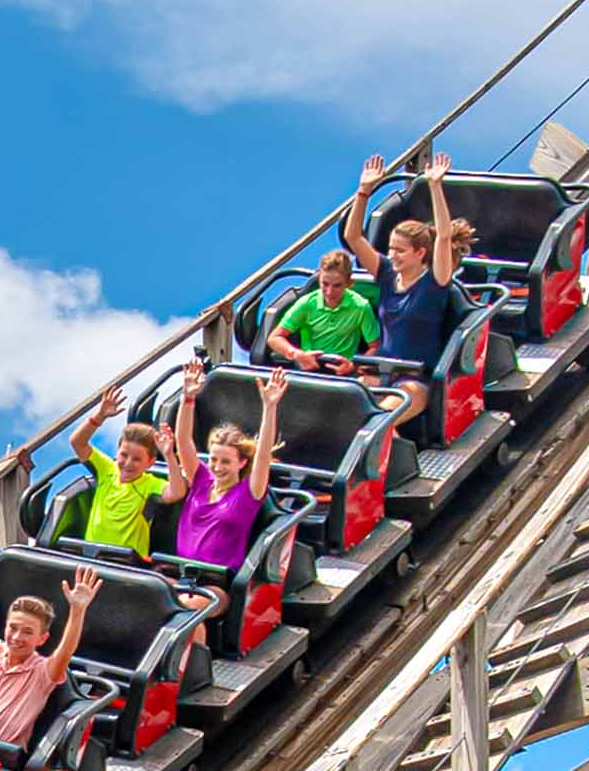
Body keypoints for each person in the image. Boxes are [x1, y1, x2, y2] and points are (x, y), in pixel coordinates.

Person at [156, 359, 284, 652]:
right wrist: (188, 398)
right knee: (145, 594)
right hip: (180, 574)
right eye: (213, 459)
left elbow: (263, 455)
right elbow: (184, 443)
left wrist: (270, 406)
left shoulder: (247, 493)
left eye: (225, 461)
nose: (217, 466)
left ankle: (185, 670)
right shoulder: (201, 480)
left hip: (216, 586)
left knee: (185, 608)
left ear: (240, 463)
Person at [342, 151, 476, 421]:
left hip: (413, 381)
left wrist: (435, 186)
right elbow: (353, 236)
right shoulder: (388, 274)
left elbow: (444, 236)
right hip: (379, 373)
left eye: (400, 251)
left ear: (420, 252)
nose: (392, 255)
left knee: (379, 418)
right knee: (341, 408)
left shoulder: (434, 282)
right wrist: (364, 192)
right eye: (391, 249)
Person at [0, 520, 101, 747]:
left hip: (1, 764)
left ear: (42, 639)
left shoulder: (42, 673)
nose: (17, 637)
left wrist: (78, 610)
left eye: (27, 632)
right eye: (13, 628)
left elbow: (67, 649)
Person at [66, 383, 188, 559]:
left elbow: (176, 493)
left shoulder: (148, 483)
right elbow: (77, 442)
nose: (128, 463)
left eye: (137, 459)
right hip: (93, 556)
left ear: (150, 462)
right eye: (124, 455)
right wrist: (98, 417)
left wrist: (169, 454)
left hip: (127, 562)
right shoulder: (107, 468)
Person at [266, 250, 378, 374]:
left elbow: (375, 346)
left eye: (337, 286)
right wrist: (297, 355)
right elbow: (274, 338)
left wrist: (353, 366)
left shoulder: (361, 306)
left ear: (349, 283)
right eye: (325, 284)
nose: (329, 292)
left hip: (344, 375)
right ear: (319, 278)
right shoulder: (306, 303)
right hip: (308, 370)